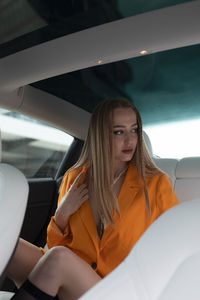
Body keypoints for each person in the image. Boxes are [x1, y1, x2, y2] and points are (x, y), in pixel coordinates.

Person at [7, 98, 179, 300]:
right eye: (119, 132)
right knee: (10, 244)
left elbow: (173, 250)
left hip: (118, 289)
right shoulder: (75, 178)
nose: (130, 140)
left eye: (134, 130)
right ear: (100, 135)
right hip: (73, 279)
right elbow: (54, 246)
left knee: (59, 259)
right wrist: (62, 213)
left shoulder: (156, 184)